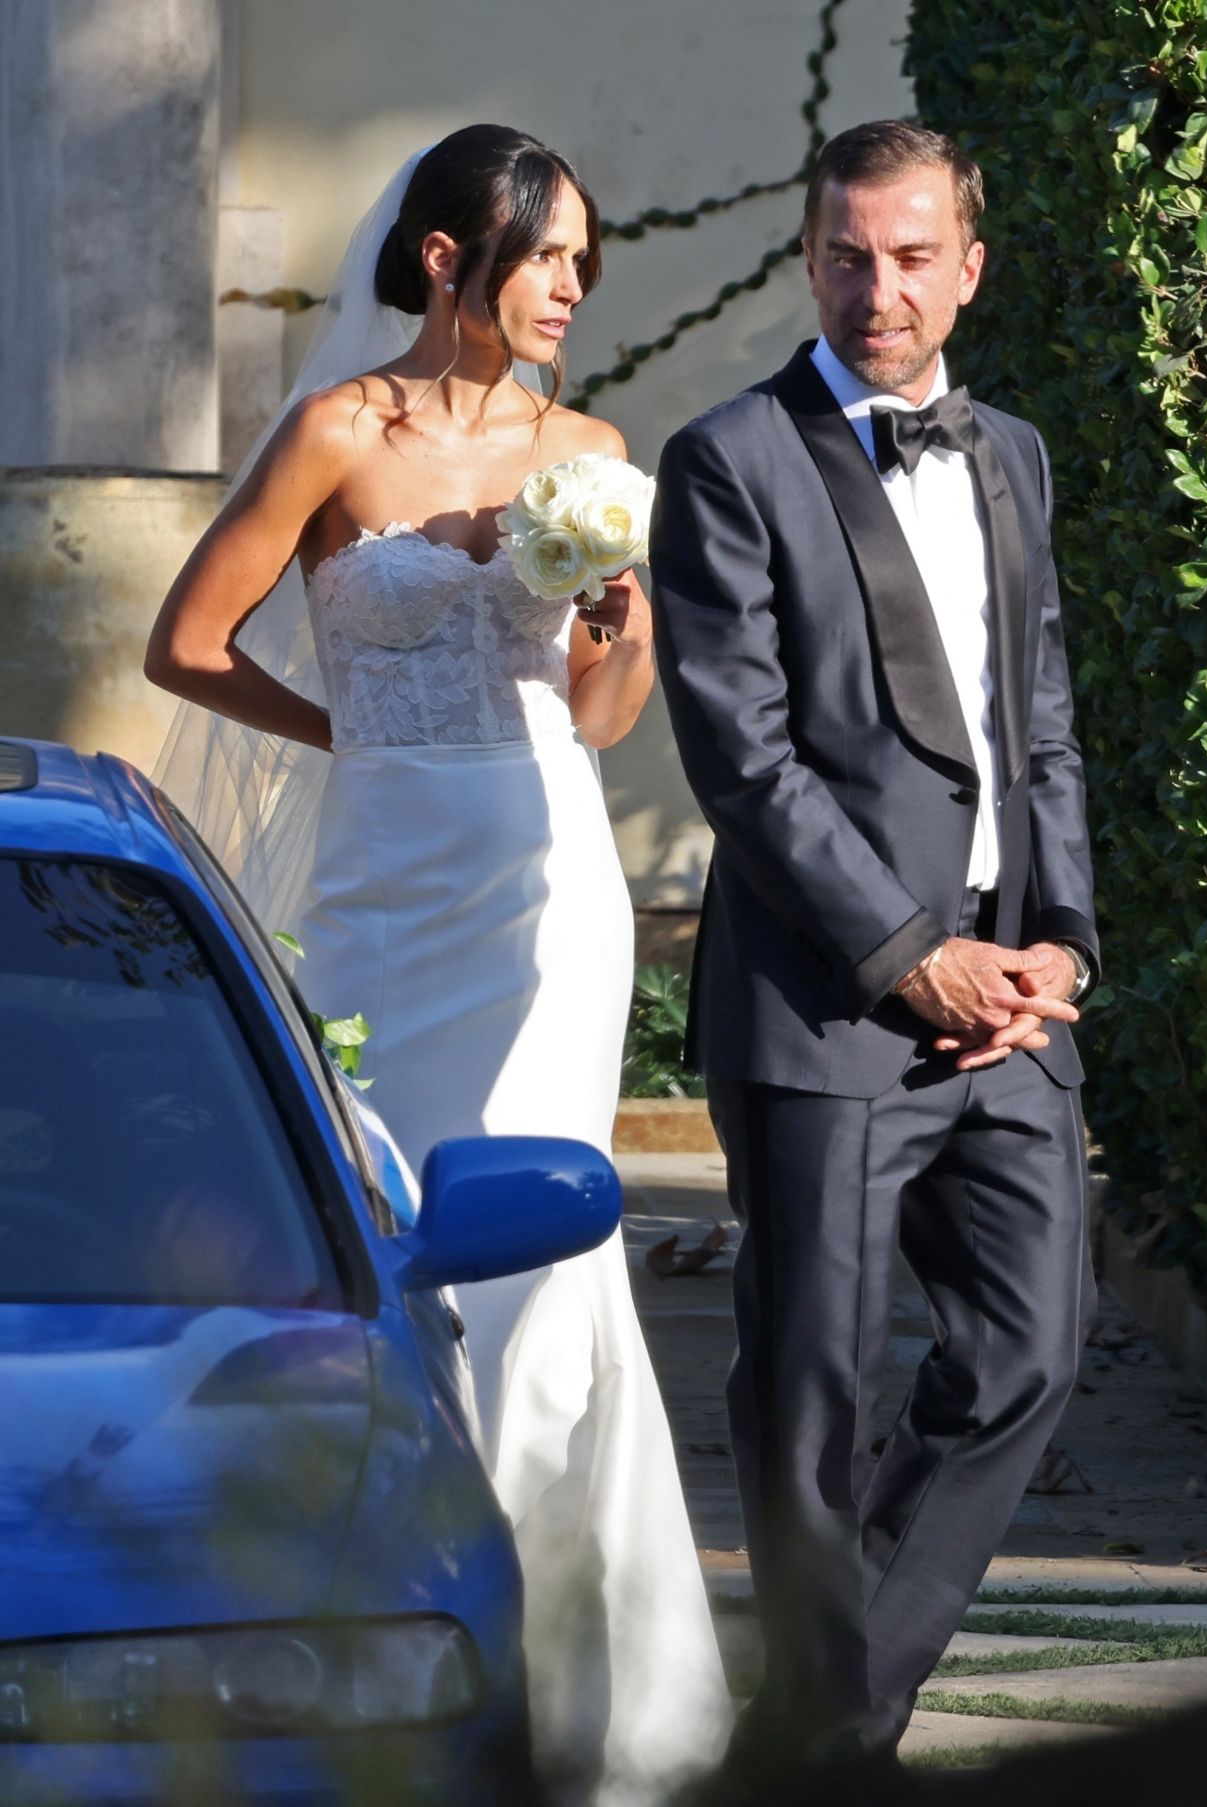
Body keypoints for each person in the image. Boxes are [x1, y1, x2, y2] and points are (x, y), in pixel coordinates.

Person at [146, 126, 730, 1807]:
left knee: (551, 1260)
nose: (570, 292)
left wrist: (613, 636)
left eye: (580, 266)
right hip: (389, 871)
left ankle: (576, 1684)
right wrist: (351, 732)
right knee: (399, 1226)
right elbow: (184, 642)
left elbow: (602, 720)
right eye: (548, 258)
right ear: (443, 263)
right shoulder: (338, 432)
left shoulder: (595, 452)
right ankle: (385, 1630)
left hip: (550, 878)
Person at [649, 120, 1099, 1783]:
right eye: (849, 254)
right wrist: (913, 955)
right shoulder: (729, 458)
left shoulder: (1017, 455)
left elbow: (1038, 717)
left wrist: (1058, 946)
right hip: (830, 1008)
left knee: (1029, 1357)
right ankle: (834, 1748)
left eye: (913, 257)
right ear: (809, 258)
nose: (879, 288)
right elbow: (743, 755)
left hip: (1013, 1001)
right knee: (813, 1393)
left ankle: (821, 1717)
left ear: (968, 269)